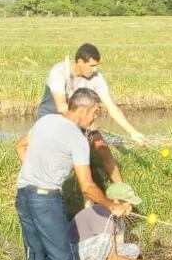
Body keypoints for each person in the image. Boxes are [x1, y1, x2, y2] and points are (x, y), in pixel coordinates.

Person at [14, 88, 132, 260]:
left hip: (23, 195)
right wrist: (111, 206)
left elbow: (19, 146)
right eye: (96, 113)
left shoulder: (46, 121)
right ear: (84, 109)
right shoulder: (77, 139)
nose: (95, 119)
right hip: (45, 200)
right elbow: (87, 187)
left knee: (36, 257)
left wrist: (37, 172)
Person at [37, 43, 146, 183]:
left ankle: (122, 193)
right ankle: (71, 191)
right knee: (67, 155)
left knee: (103, 148)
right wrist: (85, 125)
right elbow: (61, 107)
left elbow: (112, 108)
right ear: (80, 62)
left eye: (96, 66)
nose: (95, 70)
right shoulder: (59, 71)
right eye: (91, 66)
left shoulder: (96, 78)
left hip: (81, 119)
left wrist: (132, 132)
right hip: (53, 118)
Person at [69, 183, 159, 260]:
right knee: (106, 252)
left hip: (92, 252)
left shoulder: (117, 219)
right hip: (73, 254)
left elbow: (118, 251)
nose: (131, 209)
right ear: (116, 202)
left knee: (132, 250)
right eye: (128, 205)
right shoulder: (103, 216)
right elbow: (111, 259)